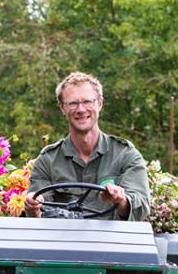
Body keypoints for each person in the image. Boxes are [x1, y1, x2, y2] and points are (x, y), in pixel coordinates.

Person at [24, 72, 150, 221]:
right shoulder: (47, 160)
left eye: (87, 101)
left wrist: (121, 201)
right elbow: (38, 215)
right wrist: (33, 208)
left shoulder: (125, 155)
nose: (81, 109)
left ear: (100, 103)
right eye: (73, 103)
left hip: (113, 241)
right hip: (62, 241)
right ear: (62, 108)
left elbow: (141, 207)